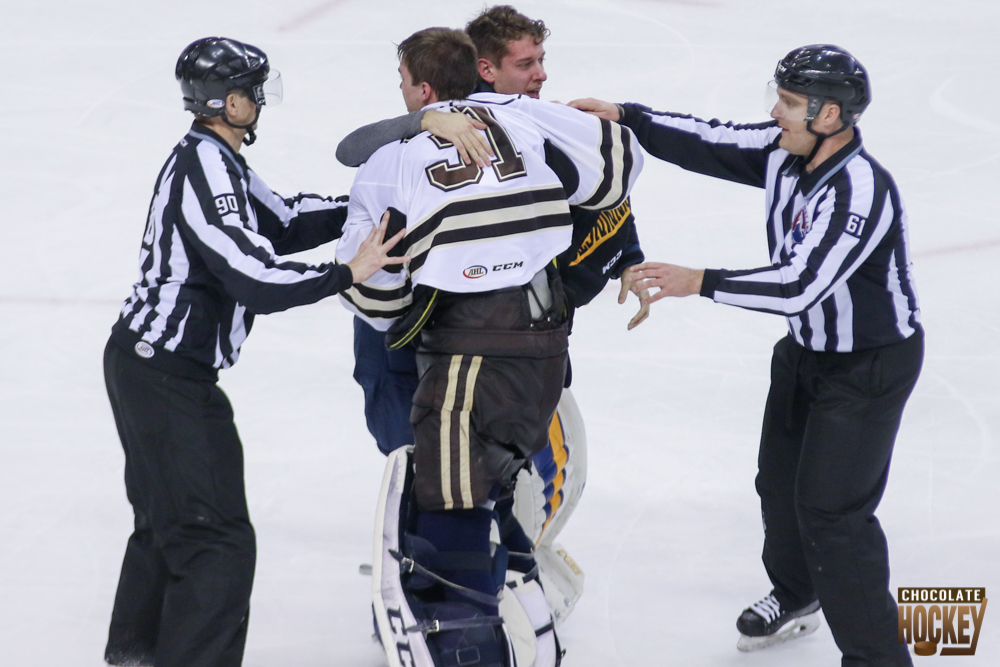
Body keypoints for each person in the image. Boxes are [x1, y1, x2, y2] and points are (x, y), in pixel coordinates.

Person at [570, 45, 922, 666]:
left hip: (866, 367)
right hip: (805, 353)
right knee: (779, 487)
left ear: (830, 115)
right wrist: (628, 116)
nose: (774, 114)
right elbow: (711, 139)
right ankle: (798, 594)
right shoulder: (786, 151)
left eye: (788, 103)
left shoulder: (859, 191)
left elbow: (799, 282)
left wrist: (697, 279)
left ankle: (879, 659)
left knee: (834, 517)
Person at [336, 27, 641, 667]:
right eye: (526, 65)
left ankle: (462, 623)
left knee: (450, 506)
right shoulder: (538, 130)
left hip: (464, 352)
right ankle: (512, 588)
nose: (541, 78)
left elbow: (374, 293)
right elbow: (618, 169)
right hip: (537, 346)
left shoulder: (399, 158)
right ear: (481, 71)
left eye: (540, 63)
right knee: (489, 490)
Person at [103, 36, 405, 667]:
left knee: (167, 526)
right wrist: (348, 271)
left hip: (147, 366)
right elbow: (254, 278)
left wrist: (371, 205)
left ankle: (134, 655)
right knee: (216, 541)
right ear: (230, 101)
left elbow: (284, 219)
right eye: (255, 91)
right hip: (165, 377)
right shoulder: (205, 167)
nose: (262, 101)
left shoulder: (216, 158)